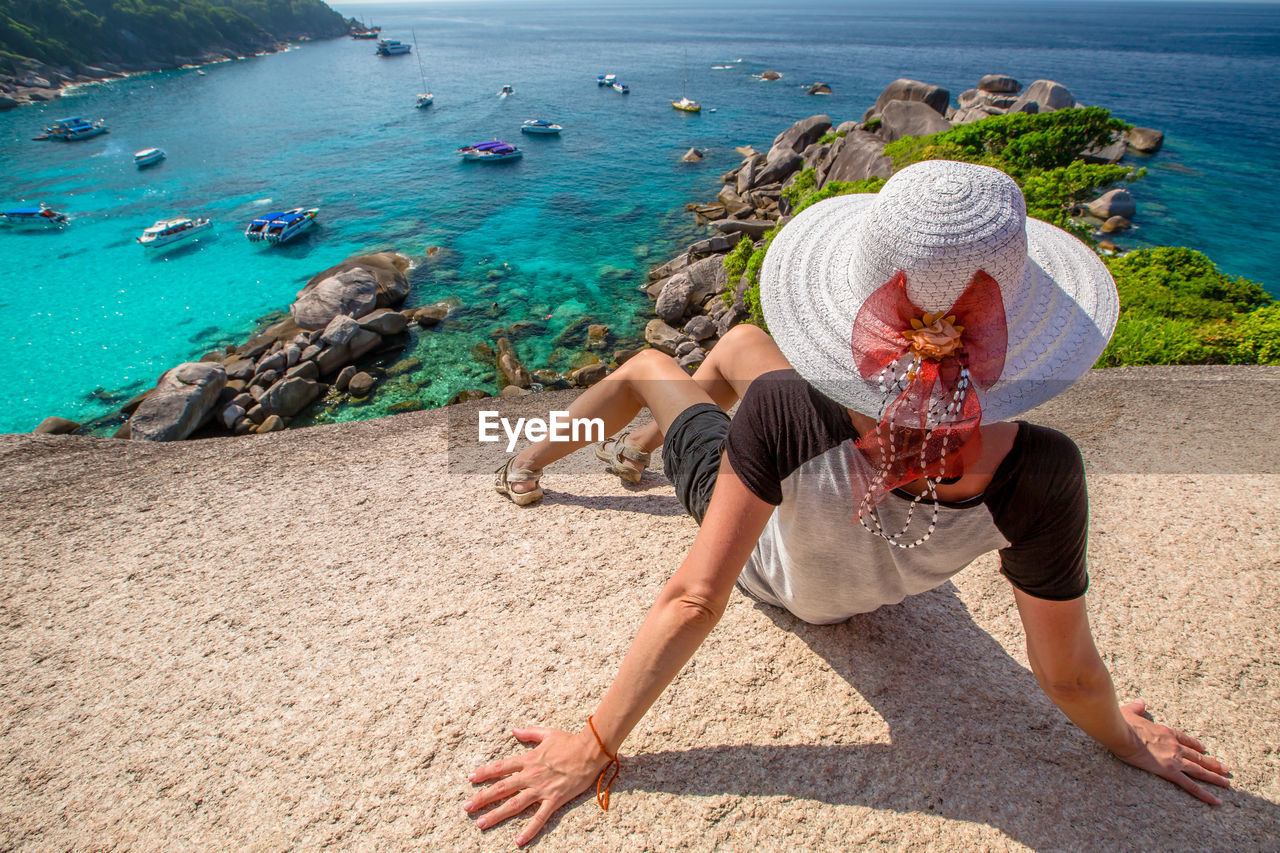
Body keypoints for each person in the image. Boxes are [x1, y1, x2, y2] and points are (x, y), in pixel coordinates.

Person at [474, 160, 1232, 846]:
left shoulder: (783, 410)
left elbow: (695, 596)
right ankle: (639, 447)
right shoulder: (1045, 472)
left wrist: (594, 743)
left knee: (647, 365)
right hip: (842, 531)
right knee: (738, 342)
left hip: (769, 565)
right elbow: (1067, 673)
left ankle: (529, 458)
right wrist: (1126, 741)